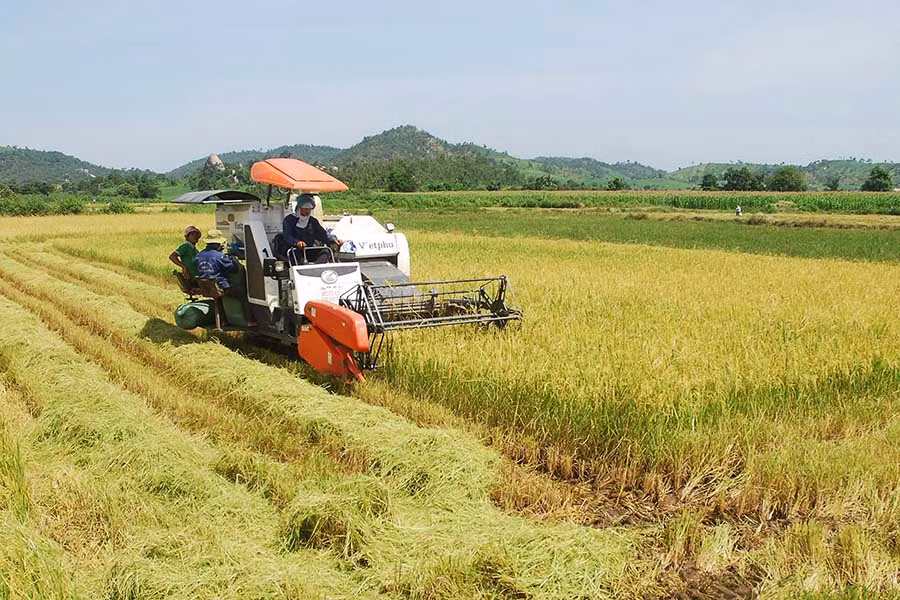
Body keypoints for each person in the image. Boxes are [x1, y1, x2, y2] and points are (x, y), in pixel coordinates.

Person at [195, 229, 256, 326]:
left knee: (218, 297)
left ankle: (223, 321)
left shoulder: (199, 255)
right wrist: (232, 258)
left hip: (206, 288)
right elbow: (234, 268)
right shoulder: (219, 256)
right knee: (245, 293)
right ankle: (250, 321)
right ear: (217, 244)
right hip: (221, 287)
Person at [281, 194, 343, 264]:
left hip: (310, 249)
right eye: (305, 209)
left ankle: (317, 267)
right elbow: (287, 236)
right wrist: (297, 242)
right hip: (295, 250)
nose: (307, 211)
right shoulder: (289, 220)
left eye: (309, 209)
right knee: (296, 256)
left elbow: (323, 234)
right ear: (299, 208)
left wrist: (334, 239)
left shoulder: (313, 221)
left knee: (325, 251)